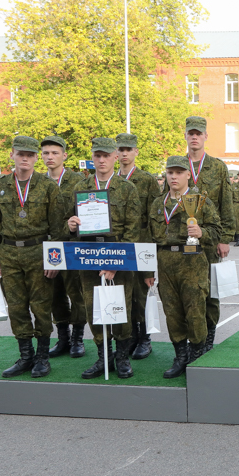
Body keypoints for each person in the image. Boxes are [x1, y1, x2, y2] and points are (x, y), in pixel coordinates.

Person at [0, 136, 63, 378]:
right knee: (17, 308)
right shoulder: (0, 186)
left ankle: (42, 357)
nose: (25, 159)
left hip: (38, 253)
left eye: (30, 155)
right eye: (21, 154)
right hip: (8, 254)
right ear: (13, 155)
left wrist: (54, 260)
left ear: (35, 158)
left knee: (41, 307)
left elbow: (58, 228)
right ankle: (25, 356)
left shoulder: (48, 186)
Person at [68, 137, 141, 380]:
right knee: (94, 309)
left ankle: (121, 358)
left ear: (114, 157)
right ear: (92, 157)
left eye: (106, 155)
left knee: (120, 308)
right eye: (97, 155)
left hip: (118, 257)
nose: (101, 160)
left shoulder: (128, 189)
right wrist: (70, 225)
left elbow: (133, 230)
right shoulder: (80, 187)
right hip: (88, 257)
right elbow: (66, 224)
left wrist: (115, 262)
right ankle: (103, 357)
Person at [146, 156, 223, 377]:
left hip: (192, 262)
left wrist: (202, 233)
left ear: (188, 174)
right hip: (165, 262)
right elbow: (149, 238)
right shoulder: (157, 204)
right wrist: (149, 271)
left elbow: (217, 231)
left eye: (179, 172)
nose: (173, 176)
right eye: (170, 172)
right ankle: (180, 356)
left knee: (195, 311)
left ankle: (197, 355)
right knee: (172, 313)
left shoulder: (200, 200)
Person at [184, 116, 234, 351]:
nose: (194, 137)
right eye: (190, 133)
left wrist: (225, 238)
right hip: (184, 239)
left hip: (211, 239)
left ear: (205, 136)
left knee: (211, 291)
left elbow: (227, 203)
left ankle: (209, 337)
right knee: (187, 290)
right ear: (185, 135)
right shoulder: (177, 165)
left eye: (198, 133)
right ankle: (193, 337)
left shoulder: (217, 166)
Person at [41, 135, 87, 359]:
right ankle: (63, 338)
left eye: (55, 153)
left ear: (64, 156)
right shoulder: (38, 182)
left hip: (73, 246)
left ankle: (78, 338)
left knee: (77, 294)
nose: (50, 157)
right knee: (54, 294)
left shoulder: (79, 180)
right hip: (50, 246)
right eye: (46, 153)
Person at [116, 133, 159, 360]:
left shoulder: (147, 180)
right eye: (121, 149)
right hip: (120, 241)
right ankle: (130, 336)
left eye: (128, 149)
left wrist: (151, 258)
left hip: (142, 241)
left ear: (136, 152)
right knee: (124, 290)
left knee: (142, 291)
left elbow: (155, 217)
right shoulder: (111, 180)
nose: (124, 153)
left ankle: (145, 339)